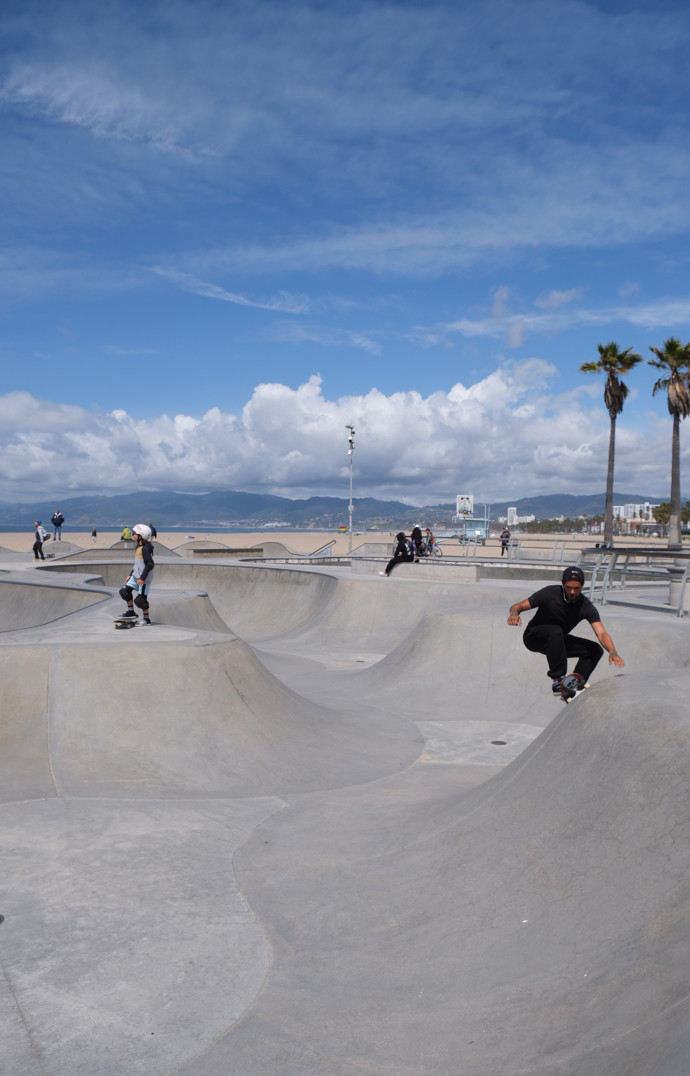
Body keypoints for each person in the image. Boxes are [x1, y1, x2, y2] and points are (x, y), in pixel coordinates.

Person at [507, 565, 625, 694]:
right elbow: (519, 605)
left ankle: (573, 685)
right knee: (555, 631)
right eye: (568, 588)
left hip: (557, 642)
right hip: (533, 637)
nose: (572, 592)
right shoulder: (549, 593)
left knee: (595, 649)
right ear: (563, 584)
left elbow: (601, 633)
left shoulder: (586, 606)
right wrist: (514, 614)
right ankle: (558, 680)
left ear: (582, 586)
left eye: (576, 588)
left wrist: (612, 651)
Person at [119, 524, 155, 624]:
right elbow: (138, 564)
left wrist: (142, 578)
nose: (133, 535)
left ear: (141, 535)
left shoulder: (145, 548)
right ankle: (131, 612)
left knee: (140, 600)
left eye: (135, 533)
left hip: (144, 578)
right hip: (135, 576)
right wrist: (130, 574)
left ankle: (146, 619)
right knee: (124, 592)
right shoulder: (139, 546)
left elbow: (150, 564)